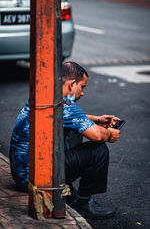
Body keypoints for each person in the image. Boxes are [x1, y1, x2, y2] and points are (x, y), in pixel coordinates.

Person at [9, 61, 120, 219]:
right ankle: (83, 202)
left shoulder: (46, 96)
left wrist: (96, 120)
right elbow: (98, 136)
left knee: (77, 130)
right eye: (82, 87)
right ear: (71, 84)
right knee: (98, 150)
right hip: (36, 178)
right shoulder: (65, 104)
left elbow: (66, 118)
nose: (82, 93)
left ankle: (68, 191)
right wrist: (110, 134)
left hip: (22, 174)